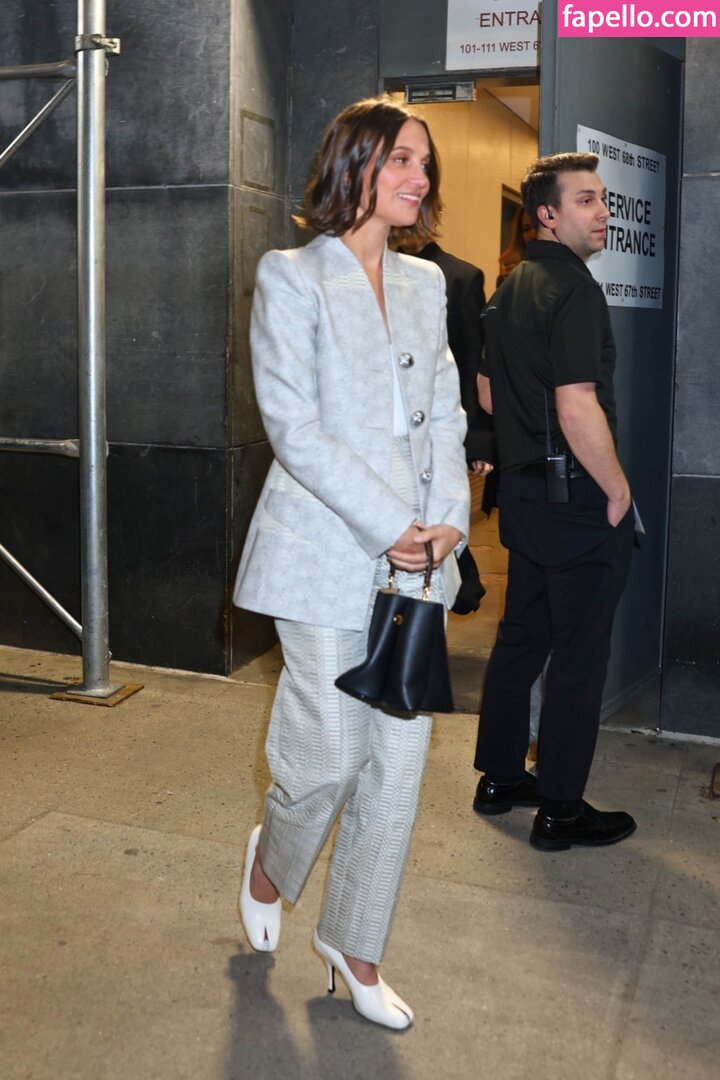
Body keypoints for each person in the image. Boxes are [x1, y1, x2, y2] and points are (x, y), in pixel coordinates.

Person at [233, 98, 470, 1029]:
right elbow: (294, 425)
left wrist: (448, 522)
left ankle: (355, 945)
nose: (420, 176)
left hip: (419, 562)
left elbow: (445, 411)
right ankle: (270, 862)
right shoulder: (291, 276)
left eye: (425, 162)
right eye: (402, 158)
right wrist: (388, 522)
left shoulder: (426, 283)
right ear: (354, 164)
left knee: (397, 768)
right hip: (324, 550)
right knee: (328, 759)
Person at [471, 152, 636, 852]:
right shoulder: (573, 289)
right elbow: (576, 405)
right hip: (576, 501)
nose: (603, 213)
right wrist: (618, 489)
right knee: (577, 657)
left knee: (521, 640)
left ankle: (501, 779)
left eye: (603, 199)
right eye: (586, 200)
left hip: (526, 499)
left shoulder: (509, 287)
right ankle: (561, 810)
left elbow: (486, 393)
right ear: (547, 214)